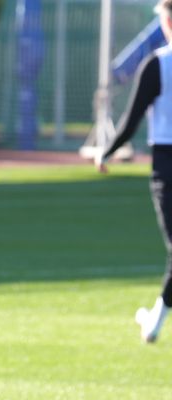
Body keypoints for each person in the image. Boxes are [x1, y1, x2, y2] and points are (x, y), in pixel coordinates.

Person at [98, 0, 172, 343]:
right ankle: (155, 319)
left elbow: (132, 118)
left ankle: (154, 321)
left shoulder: (159, 64)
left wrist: (107, 152)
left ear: (166, 24)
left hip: (166, 165)